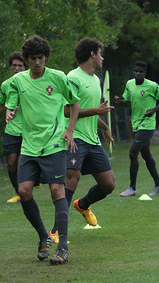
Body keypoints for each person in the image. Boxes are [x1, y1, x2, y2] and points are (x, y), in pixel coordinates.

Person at [5, 35, 80, 264]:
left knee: (57, 190)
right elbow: (12, 102)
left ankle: (63, 247)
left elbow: (74, 103)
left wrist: (69, 130)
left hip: (54, 144)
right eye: (33, 58)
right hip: (29, 146)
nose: (37, 62)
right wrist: (10, 111)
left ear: (45, 57)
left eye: (40, 58)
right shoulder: (18, 81)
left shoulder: (57, 77)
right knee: (24, 191)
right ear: (26, 60)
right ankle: (43, 236)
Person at [48, 37, 116, 242]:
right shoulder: (73, 78)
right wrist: (97, 110)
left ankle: (83, 205)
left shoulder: (96, 79)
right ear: (92, 55)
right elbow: (68, 111)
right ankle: (55, 231)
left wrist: (104, 127)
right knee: (71, 179)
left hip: (92, 140)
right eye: (100, 53)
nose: (102, 57)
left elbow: (92, 114)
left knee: (109, 185)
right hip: (74, 138)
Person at [113, 61, 159, 197]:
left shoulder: (152, 86)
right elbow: (128, 102)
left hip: (147, 124)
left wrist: (154, 110)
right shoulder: (129, 84)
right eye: (135, 71)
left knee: (132, 153)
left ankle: (132, 188)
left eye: (140, 72)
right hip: (136, 123)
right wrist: (120, 102)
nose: (137, 73)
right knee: (146, 155)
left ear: (145, 73)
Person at [0, 52, 28, 203]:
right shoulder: (6, 84)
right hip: (11, 129)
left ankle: (33, 182)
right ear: (11, 67)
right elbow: (2, 101)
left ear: (25, 67)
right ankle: (18, 193)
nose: (17, 68)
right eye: (14, 65)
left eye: (20, 65)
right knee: (12, 162)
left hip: (29, 129)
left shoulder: (32, 82)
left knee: (26, 161)